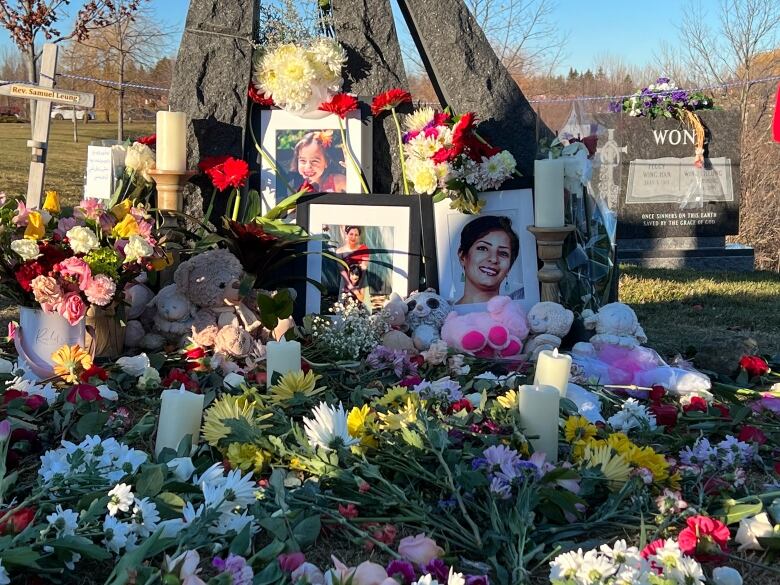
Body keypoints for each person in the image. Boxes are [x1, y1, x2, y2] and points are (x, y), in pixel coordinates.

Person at [455, 215, 522, 305]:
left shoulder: (520, 311)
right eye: (483, 248)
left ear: (509, 267)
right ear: (463, 256)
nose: (494, 259)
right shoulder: (445, 314)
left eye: (503, 253)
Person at [335, 226, 370, 302]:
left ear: (359, 237)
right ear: (346, 234)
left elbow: (363, 270)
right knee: (345, 306)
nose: (353, 237)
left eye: (356, 235)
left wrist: (360, 289)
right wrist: (353, 289)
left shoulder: (364, 249)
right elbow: (342, 272)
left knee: (363, 307)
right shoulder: (339, 251)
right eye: (351, 234)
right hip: (346, 281)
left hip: (361, 280)